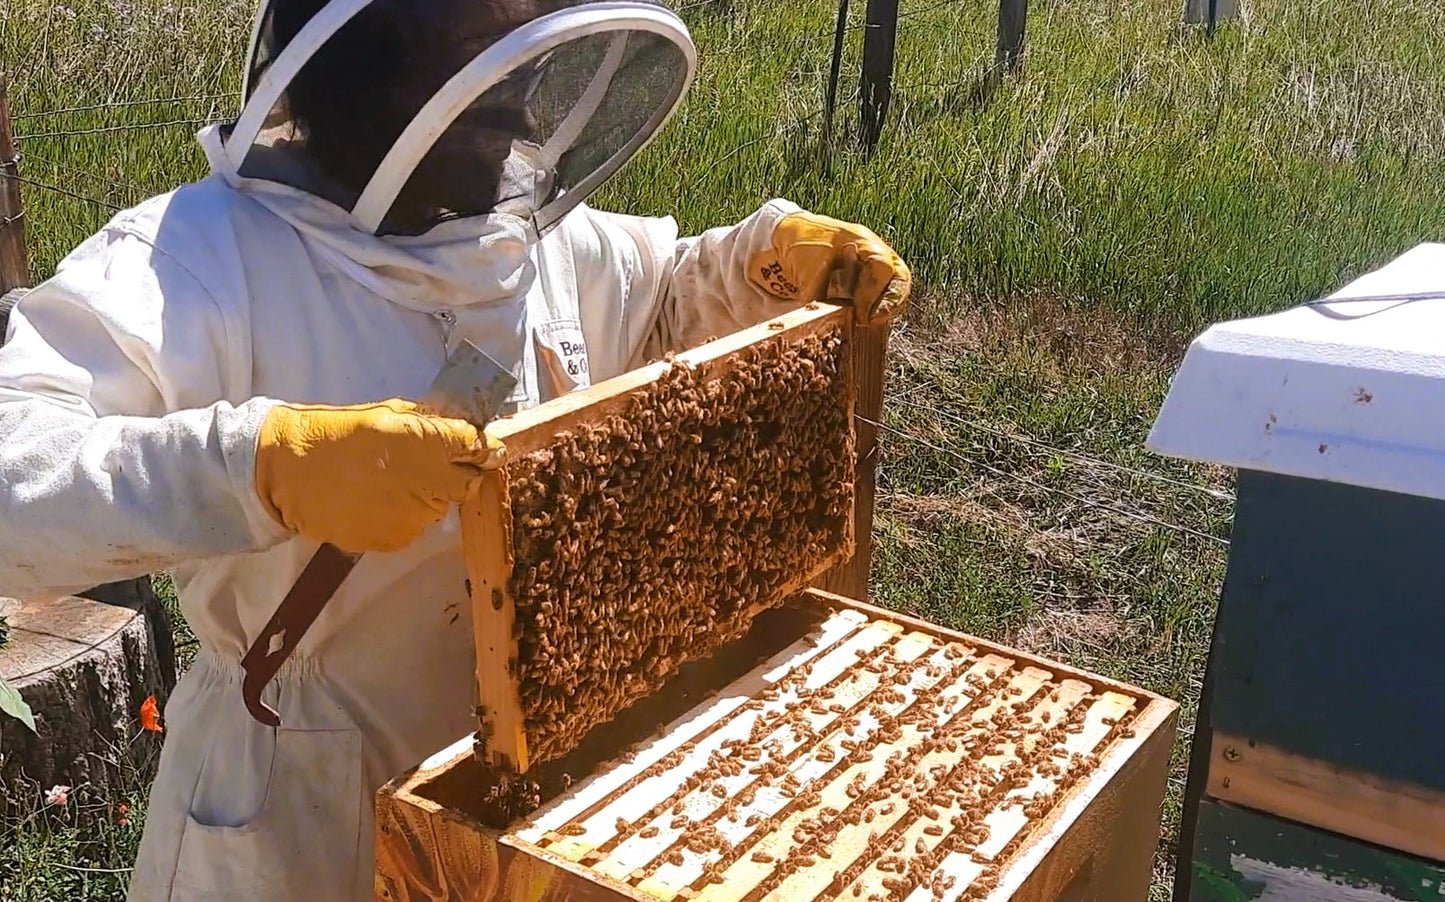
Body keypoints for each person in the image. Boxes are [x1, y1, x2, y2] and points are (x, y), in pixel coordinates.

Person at [0, 0, 910, 898]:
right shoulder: (191, 262)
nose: (519, 118)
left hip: (544, 773)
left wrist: (756, 264)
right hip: (299, 783)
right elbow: (15, 466)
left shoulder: (524, 238)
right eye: (482, 76)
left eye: (521, 70)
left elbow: (659, 303)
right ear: (363, 79)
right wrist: (261, 466)